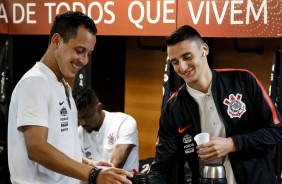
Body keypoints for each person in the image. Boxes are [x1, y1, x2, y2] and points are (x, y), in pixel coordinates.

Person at [7, 11, 133, 184]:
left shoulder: (62, 85)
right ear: (57, 41)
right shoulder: (35, 83)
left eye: (89, 53)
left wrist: (89, 164)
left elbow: (58, 146)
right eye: (80, 50)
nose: (84, 60)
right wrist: (92, 174)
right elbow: (36, 148)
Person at [148, 25, 282, 184]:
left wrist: (233, 144)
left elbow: (276, 131)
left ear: (204, 49)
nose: (182, 67)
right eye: (175, 62)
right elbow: (162, 166)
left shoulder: (243, 80)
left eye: (187, 57)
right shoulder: (173, 107)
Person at [72, 86, 139, 172]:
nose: (82, 123)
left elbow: (114, 168)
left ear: (99, 107)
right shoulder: (78, 132)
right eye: (78, 118)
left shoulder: (124, 122)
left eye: (86, 117)